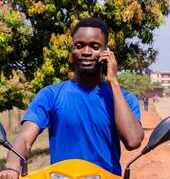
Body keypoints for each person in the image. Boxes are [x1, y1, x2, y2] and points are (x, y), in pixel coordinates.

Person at [0, 17, 144, 178]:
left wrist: (114, 82)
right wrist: (12, 166)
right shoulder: (50, 95)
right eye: (79, 46)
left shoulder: (124, 99)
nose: (86, 52)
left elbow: (133, 141)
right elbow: (25, 138)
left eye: (95, 46)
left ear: (106, 52)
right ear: (72, 49)